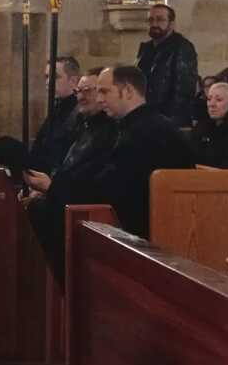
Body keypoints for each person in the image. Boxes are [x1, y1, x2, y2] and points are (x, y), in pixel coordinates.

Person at [28, 65, 194, 285]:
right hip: (128, 218)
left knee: (51, 216)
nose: (99, 98)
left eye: (104, 91)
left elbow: (112, 188)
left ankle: (67, 298)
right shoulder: (130, 127)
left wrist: (56, 189)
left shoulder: (146, 132)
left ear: (127, 91)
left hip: (147, 233)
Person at [24, 68, 115, 194]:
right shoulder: (81, 125)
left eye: (87, 91)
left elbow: (89, 181)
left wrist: (51, 188)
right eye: (78, 91)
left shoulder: (109, 132)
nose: (80, 97)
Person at [136, 4, 198, 127]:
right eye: (151, 20)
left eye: (160, 19)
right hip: (145, 114)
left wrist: (167, 121)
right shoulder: (146, 48)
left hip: (169, 119)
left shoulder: (182, 47)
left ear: (171, 23)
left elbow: (184, 90)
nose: (154, 24)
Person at [27, 57, 81, 173]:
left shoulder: (79, 111)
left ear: (73, 81)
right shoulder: (57, 108)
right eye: (46, 77)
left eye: (55, 77)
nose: (48, 82)